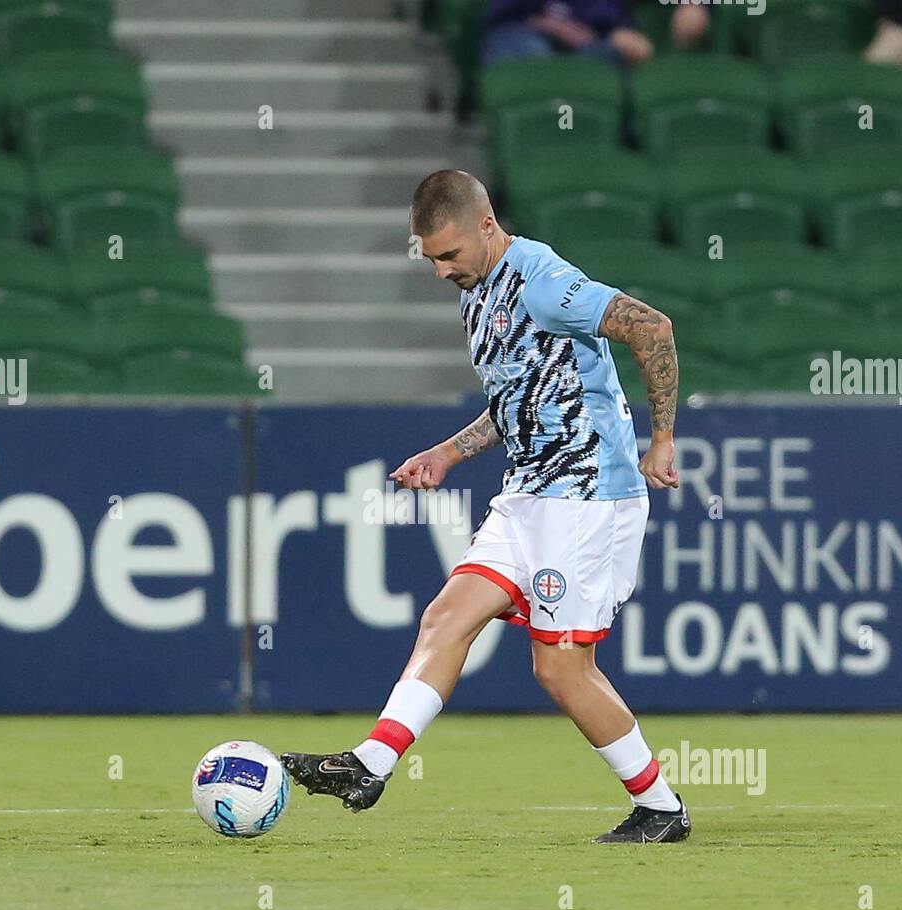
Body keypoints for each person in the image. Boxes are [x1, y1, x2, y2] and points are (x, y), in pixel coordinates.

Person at [281, 171, 691, 845]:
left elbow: (651, 327)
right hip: (530, 493)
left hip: (587, 496)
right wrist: (449, 452)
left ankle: (661, 808)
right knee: (448, 615)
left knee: (559, 668)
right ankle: (370, 765)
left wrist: (664, 438)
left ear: (486, 226)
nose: (441, 270)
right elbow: (520, 398)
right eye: (430, 258)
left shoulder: (542, 282)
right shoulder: (477, 293)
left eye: (448, 255)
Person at [479, 0, 656, 67]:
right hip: (521, 34)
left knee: (605, 58)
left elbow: (617, 28)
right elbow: (504, 15)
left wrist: (620, 37)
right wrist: (562, 29)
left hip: (588, 44)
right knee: (531, 51)